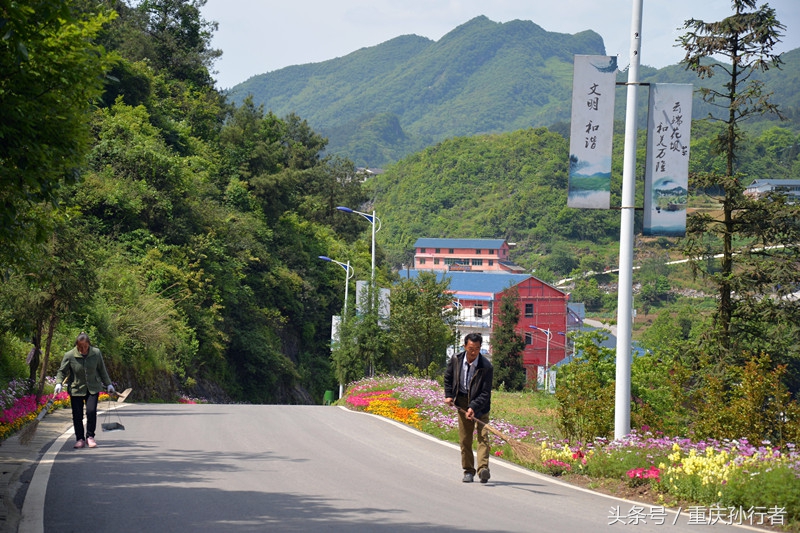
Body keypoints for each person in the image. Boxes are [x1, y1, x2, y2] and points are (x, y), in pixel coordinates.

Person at [444, 332, 493, 483]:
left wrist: (473, 407)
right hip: (462, 402)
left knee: (483, 436)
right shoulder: (456, 360)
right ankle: (468, 470)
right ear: (465, 346)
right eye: (471, 348)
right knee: (465, 439)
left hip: (480, 404)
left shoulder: (486, 367)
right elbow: (448, 378)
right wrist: (449, 395)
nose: (473, 352)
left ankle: (483, 469)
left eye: (477, 349)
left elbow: (485, 393)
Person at [55, 332, 115, 449]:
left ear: (89, 344)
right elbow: (61, 371)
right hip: (76, 389)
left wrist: (109, 384)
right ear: (77, 345)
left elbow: (102, 370)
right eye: (80, 347)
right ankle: (80, 439)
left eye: (85, 347)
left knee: (91, 412)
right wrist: (58, 383)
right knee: (77, 415)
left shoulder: (96, 353)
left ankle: (90, 437)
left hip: (92, 388)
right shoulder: (70, 355)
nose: (83, 349)